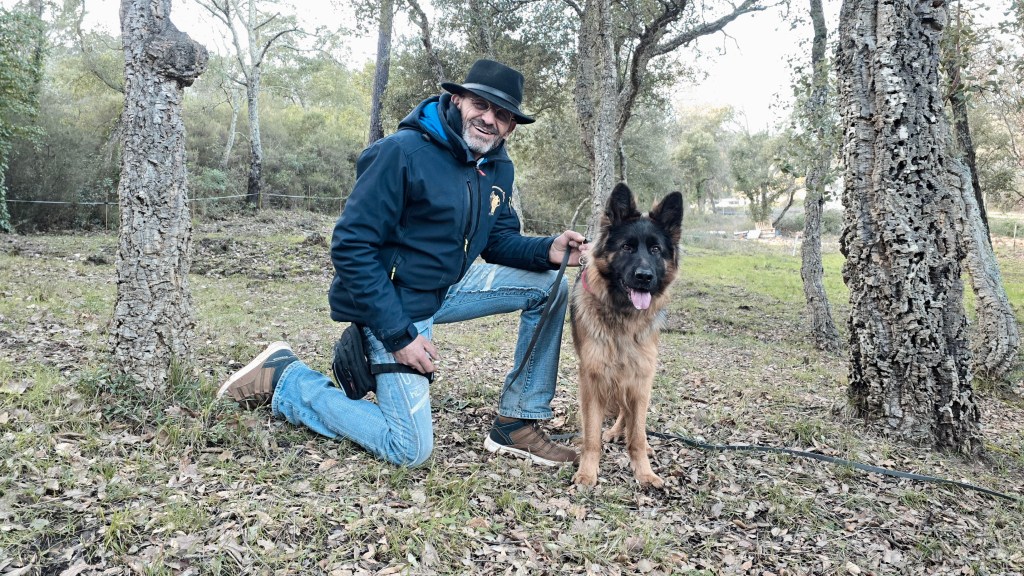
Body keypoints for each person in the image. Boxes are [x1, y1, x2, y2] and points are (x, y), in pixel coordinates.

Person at [218, 59, 587, 468]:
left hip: (447, 288)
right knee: (408, 449)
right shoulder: (400, 153)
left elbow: (498, 240)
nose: (489, 119)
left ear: (511, 126)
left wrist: (548, 250)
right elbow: (351, 246)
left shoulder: (496, 166)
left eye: (502, 114)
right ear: (457, 99)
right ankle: (286, 377)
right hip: (397, 304)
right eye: (481, 105)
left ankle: (516, 423)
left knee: (550, 285)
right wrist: (399, 336)